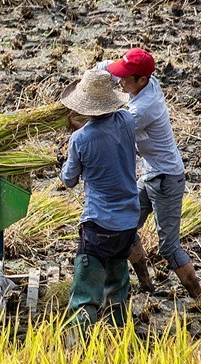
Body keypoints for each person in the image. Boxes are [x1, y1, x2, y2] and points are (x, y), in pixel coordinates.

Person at [99, 48, 201, 301]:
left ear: (142, 80)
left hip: (167, 180)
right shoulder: (147, 82)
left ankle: (200, 298)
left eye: (126, 78)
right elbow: (106, 66)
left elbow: (110, 133)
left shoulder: (142, 110)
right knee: (124, 228)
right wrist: (93, 79)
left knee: (169, 248)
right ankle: (146, 285)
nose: (120, 81)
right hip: (150, 175)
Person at [59, 69, 141, 333]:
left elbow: (69, 179)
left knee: (85, 298)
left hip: (98, 226)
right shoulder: (128, 120)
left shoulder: (80, 139)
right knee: (117, 289)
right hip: (128, 222)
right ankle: (119, 339)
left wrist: (69, 148)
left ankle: (78, 351)